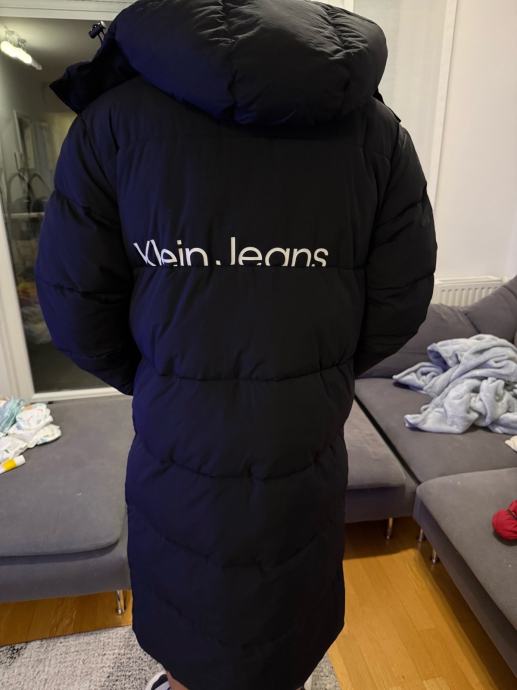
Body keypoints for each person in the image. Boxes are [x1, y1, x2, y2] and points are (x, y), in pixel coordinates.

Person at [34, 1, 437, 689]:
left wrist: (169, 375)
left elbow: (75, 306)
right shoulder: (377, 133)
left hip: (179, 430)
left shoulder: (113, 124)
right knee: (289, 585)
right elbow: (400, 299)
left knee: (187, 585)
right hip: (303, 431)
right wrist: (316, 369)